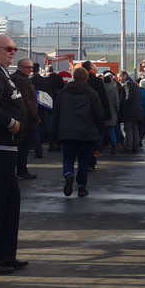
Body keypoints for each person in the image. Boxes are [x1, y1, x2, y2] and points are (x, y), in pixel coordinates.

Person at [0, 35, 29, 273]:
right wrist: (12, 123)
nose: (12, 52)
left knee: (10, 204)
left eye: (15, 49)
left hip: (6, 149)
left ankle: (5, 254)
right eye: (8, 49)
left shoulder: (1, 71)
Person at [52, 67, 105, 197]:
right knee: (84, 160)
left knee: (68, 158)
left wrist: (54, 132)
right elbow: (98, 113)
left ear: (73, 77)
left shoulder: (63, 93)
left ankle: (68, 174)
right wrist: (100, 130)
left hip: (67, 131)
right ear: (86, 78)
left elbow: (56, 114)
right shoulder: (92, 93)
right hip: (87, 131)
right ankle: (81, 186)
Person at [10, 58, 39, 180]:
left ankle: (17, 170)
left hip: (19, 118)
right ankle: (21, 170)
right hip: (24, 119)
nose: (30, 70)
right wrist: (34, 116)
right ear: (20, 67)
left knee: (19, 146)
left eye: (31, 67)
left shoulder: (15, 78)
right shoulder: (22, 81)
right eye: (27, 67)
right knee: (23, 147)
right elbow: (28, 101)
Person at [117, 71, 142, 153]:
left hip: (129, 111)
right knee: (135, 129)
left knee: (128, 129)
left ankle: (129, 147)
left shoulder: (127, 84)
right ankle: (135, 146)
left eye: (120, 77)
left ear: (125, 75)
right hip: (136, 111)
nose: (119, 79)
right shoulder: (134, 84)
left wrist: (122, 105)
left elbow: (128, 97)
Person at [102, 72, 121, 153]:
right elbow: (117, 103)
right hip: (112, 112)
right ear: (110, 81)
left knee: (101, 131)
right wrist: (117, 112)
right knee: (112, 130)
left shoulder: (101, 89)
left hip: (102, 112)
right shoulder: (113, 90)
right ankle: (113, 146)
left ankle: (100, 147)